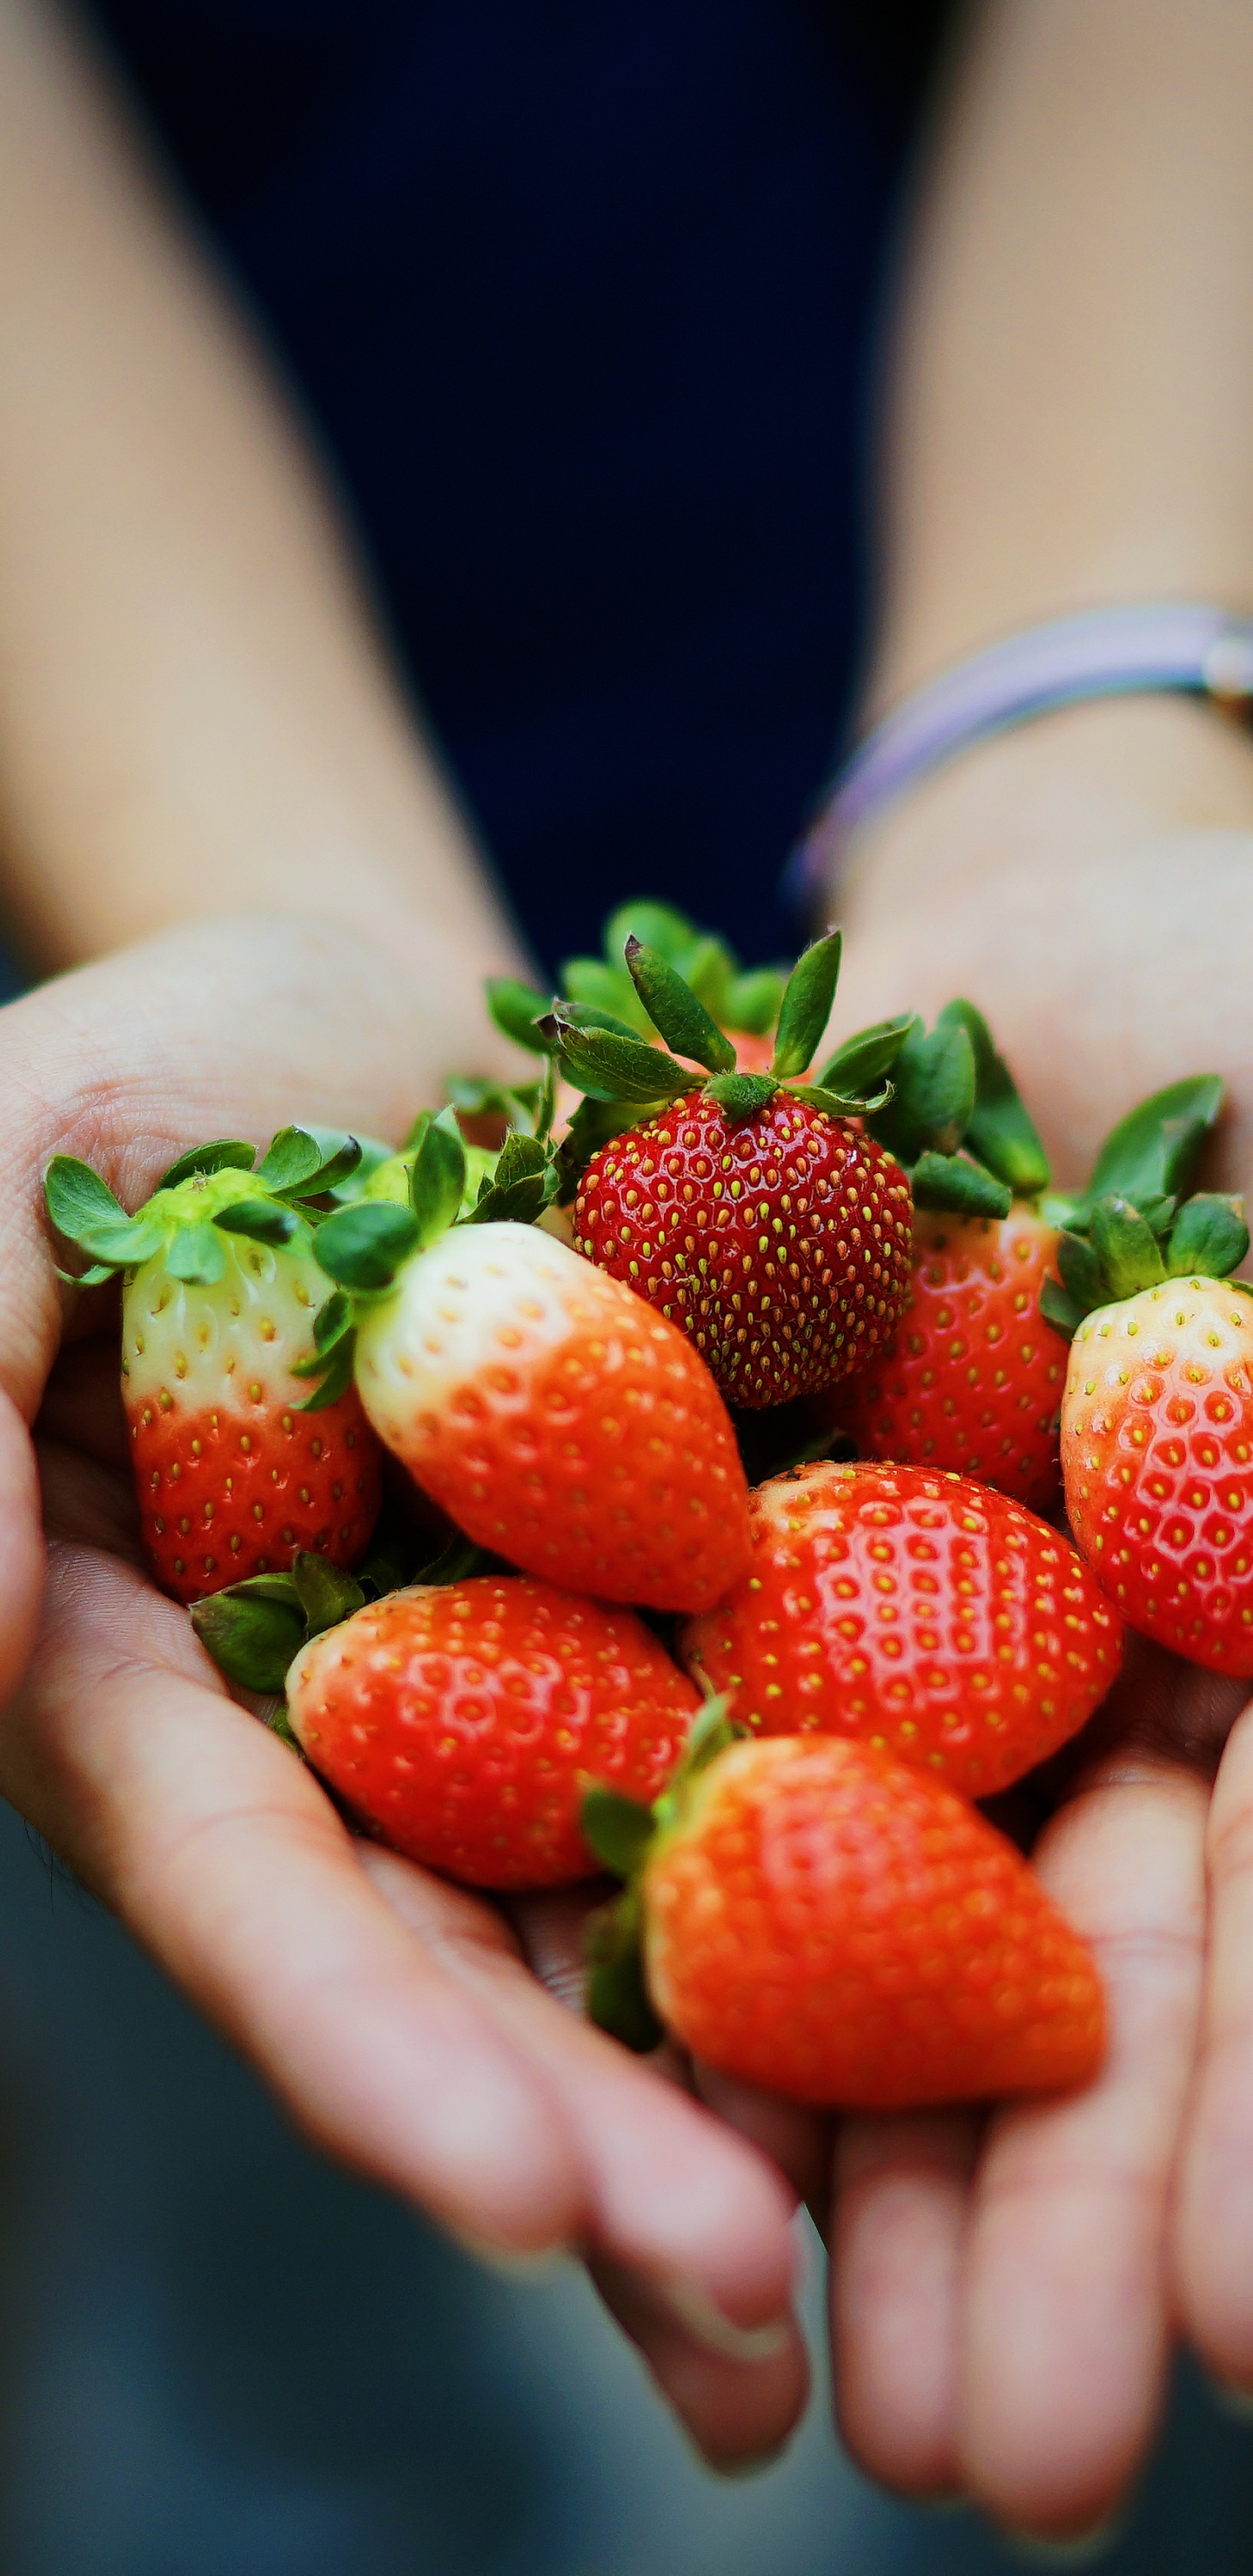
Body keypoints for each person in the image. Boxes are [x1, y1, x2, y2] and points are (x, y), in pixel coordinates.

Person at [1, 0, 1253, 2546]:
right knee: (283, 2251)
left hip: (910, 472)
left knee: (1099, 2275)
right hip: (108, 769)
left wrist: (1081, 741)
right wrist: (248, 901)